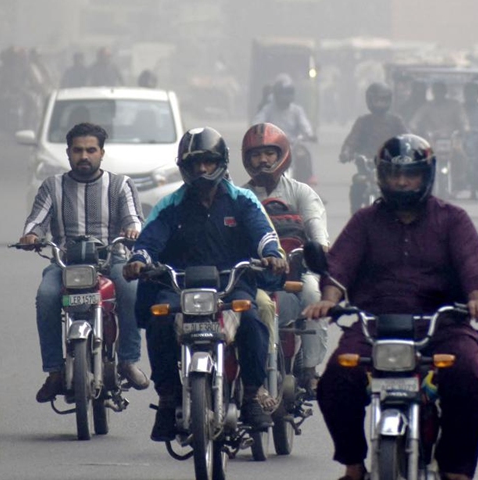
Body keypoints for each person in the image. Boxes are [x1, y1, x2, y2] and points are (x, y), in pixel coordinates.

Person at [303, 134, 478, 480]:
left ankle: (455, 469)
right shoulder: (364, 221)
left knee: (467, 380)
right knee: (334, 381)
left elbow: (471, 263)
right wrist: (328, 301)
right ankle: (353, 465)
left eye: (411, 174)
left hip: (442, 324)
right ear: (382, 176)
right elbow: (340, 265)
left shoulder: (453, 219)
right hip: (374, 325)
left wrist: (477, 297)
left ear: (427, 175)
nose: (402, 182)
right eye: (394, 174)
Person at [122, 126, 288, 441]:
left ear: (221, 162)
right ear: (185, 165)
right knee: (159, 320)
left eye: (208, 162)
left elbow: (264, 234)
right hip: (179, 286)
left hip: (231, 284)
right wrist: (140, 260)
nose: (202, 169)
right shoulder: (170, 204)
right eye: (195, 162)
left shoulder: (243, 200)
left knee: (252, 319)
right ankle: (169, 397)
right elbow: (148, 240)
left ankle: (252, 394)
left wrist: (271, 254)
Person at [20, 122, 149, 403]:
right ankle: (54, 371)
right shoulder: (52, 186)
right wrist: (31, 234)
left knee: (131, 290)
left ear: (102, 153)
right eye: (78, 150)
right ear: (68, 153)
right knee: (46, 296)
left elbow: (134, 219)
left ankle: (128, 361)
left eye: (91, 150)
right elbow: (37, 220)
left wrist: (133, 231)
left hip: (111, 259)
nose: (84, 156)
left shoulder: (120, 185)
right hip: (65, 263)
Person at [239, 122, 330, 395]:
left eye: (270, 153)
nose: (263, 160)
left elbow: (316, 228)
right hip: (255, 272)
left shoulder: (301, 192)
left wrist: (319, 249)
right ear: (247, 159)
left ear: (283, 156)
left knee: (315, 293)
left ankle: (310, 369)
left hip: (298, 270)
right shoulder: (240, 196)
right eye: (256, 154)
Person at [339, 82, 408, 213]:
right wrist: (346, 152)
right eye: (376, 100)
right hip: (366, 166)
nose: (380, 104)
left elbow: (407, 139)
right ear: (369, 101)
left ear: (389, 100)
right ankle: (356, 216)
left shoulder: (396, 121)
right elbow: (352, 140)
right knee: (358, 183)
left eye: (383, 100)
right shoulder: (363, 121)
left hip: (391, 165)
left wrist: (411, 152)